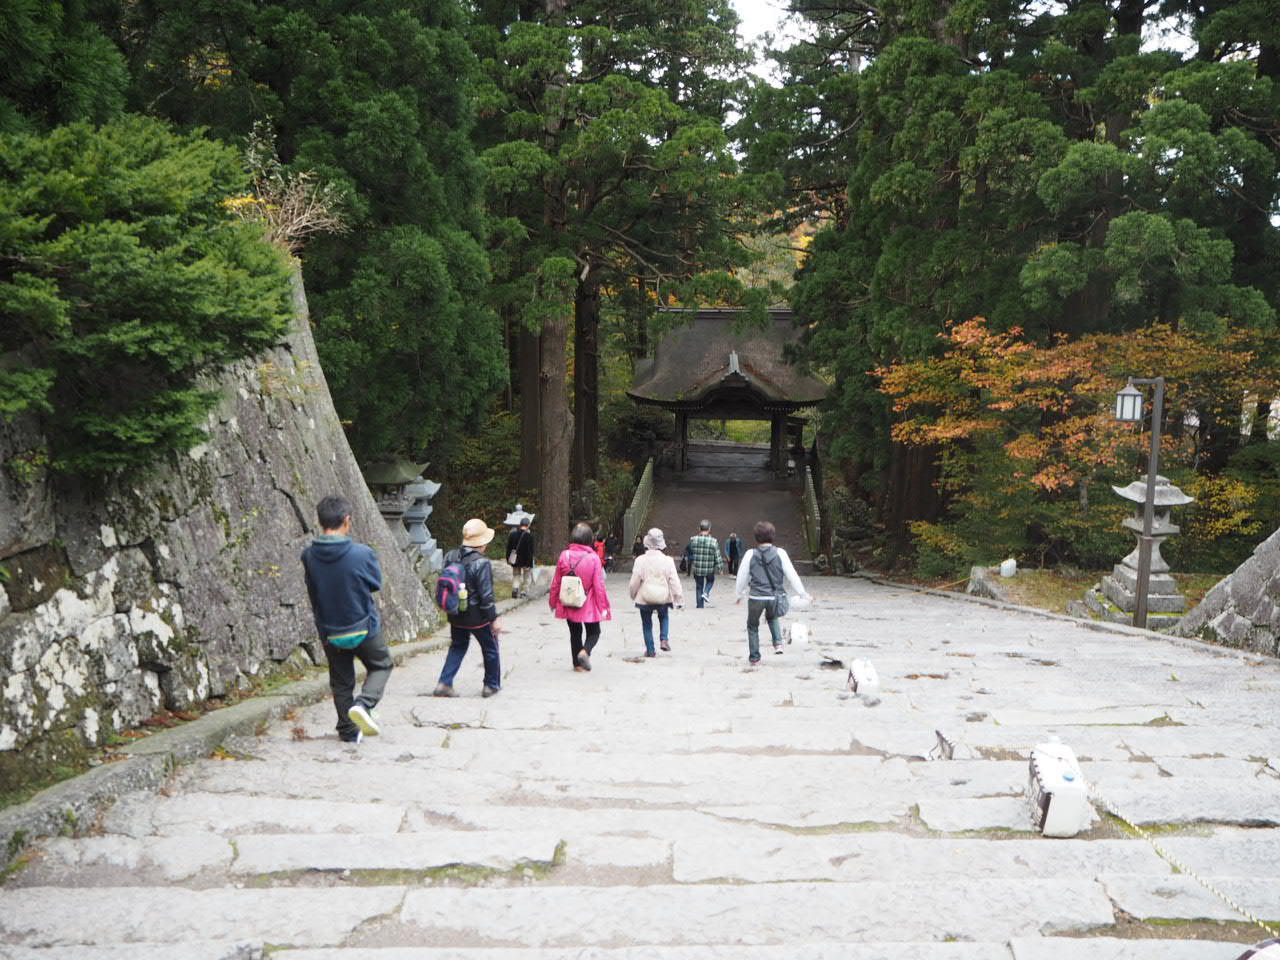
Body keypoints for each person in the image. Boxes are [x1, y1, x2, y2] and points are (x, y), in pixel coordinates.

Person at [301, 495, 393, 743]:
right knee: (381, 665)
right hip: (363, 626)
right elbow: (374, 584)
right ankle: (364, 704)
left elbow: (313, 590)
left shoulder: (309, 556)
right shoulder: (362, 553)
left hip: (331, 630)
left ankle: (348, 731)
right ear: (346, 520)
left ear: (319, 521)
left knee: (341, 682)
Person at [433, 518, 504, 698]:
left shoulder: (451, 556)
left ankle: (444, 683)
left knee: (457, 646)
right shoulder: (482, 563)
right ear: (482, 543)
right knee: (490, 647)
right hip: (477, 617)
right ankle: (491, 685)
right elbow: (486, 595)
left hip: (456, 612)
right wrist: (493, 618)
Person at [735, 519, 811, 664]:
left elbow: (742, 577)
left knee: (752, 626)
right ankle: (778, 644)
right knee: (772, 615)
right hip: (774, 596)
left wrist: (740, 594)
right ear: (773, 536)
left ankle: (755, 658)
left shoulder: (750, 554)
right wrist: (802, 593)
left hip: (756, 596)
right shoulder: (780, 553)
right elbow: (791, 574)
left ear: (756, 537)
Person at [549, 522, 612, 671]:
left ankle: (577, 665)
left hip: (568, 599)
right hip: (587, 600)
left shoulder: (565, 555)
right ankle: (585, 652)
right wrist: (603, 607)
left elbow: (556, 582)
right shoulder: (593, 558)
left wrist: (553, 601)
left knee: (575, 633)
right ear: (589, 539)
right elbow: (598, 585)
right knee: (594, 632)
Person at [627, 528, 684, 656]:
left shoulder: (640, 560)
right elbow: (674, 580)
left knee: (646, 623)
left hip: (645, 596)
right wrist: (678, 597)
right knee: (664, 616)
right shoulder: (668, 560)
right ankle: (664, 639)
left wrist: (633, 594)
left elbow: (635, 581)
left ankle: (651, 650)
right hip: (663, 596)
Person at [687, 519, 722, 608]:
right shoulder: (714, 541)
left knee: (699, 586)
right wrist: (720, 567)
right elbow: (717, 556)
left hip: (698, 568)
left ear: (699, 528)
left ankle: (700, 606)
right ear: (709, 529)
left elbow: (690, 552)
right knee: (710, 580)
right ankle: (706, 592)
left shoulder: (693, 540)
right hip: (709, 568)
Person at [506, 514, 535, 599]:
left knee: (516, 575)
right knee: (526, 577)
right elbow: (530, 551)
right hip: (526, 561)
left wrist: (508, 559)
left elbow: (509, 548)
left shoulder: (512, 534)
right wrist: (530, 563)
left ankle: (515, 589)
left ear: (520, 525)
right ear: (528, 525)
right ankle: (524, 592)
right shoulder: (529, 536)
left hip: (515, 560)